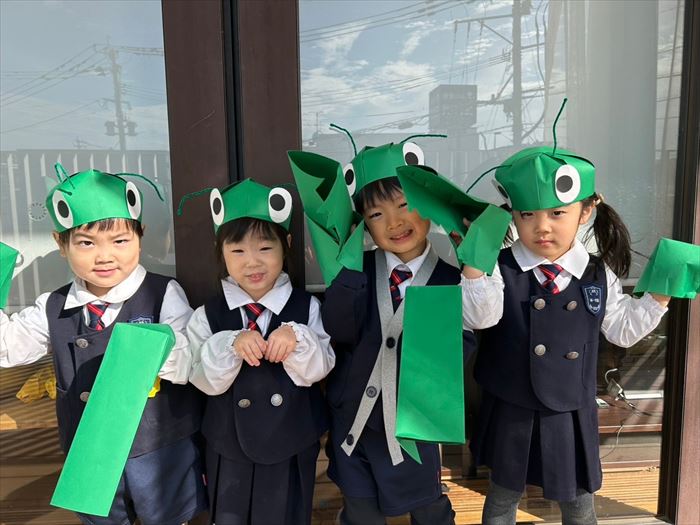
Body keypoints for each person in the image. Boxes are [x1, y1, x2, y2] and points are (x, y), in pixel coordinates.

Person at [460, 145, 671, 525]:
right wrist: (475, 262)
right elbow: (480, 316)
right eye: (527, 214)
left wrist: (660, 294)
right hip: (511, 404)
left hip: (569, 407)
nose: (542, 226)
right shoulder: (498, 267)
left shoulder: (597, 273)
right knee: (503, 497)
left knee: (578, 501)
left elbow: (621, 330)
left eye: (557, 213)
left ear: (585, 211)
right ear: (512, 215)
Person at [0, 165, 207, 525]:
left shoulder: (163, 293)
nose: (104, 256)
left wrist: (150, 352)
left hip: (158, 450)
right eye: (86, 243)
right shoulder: (52, 306)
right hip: (90, 454)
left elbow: (191, 361)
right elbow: (8, 347)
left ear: (140, 237)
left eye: (120, 241)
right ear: (61, 243)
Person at [321, 141, 476, 525]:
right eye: (376, 213)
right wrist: (348, 265)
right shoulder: (357, 272)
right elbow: (337, 328)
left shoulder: (451, 281)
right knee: (360, 510)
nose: (394, 222)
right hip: (353, 423)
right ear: (362, 223)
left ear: (428, 205)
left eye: (405, 204)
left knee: (427, 507)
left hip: (413, 428)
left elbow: (458, 351)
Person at [184, 179, 335, 525]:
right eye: (237, 251)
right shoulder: (208, 314)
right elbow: (201, 377)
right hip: (227, 445)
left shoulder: (307, 307)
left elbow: (321, 367)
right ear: (220, 251)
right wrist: (231, 343)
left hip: (291, 440)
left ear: (287, 245)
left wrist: (297, 339)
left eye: (265, 248)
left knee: (286, 515)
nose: (252, 262)